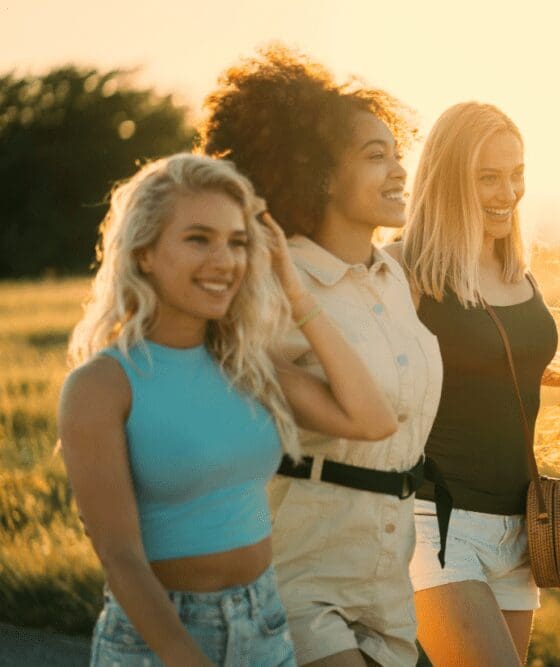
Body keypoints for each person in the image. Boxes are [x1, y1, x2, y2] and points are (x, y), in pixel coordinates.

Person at [59, 153, 397, 666]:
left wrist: (294, 286)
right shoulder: (102, 386)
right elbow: (121, 559)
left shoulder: (248, 366)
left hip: (264, 622)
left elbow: (373, 421)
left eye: (237, 243)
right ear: (144, 252)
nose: (224, 260)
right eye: (198, 239)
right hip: (159, 638)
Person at [200, 46, 443, 667]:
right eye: (374, 156)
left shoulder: (393, 279)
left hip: (389, 578)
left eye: (398, 153)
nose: (398, 171)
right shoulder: (269, 285)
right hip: (299, 570)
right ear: (320, 175)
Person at [389, 102, 560, 667]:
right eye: (488, 176)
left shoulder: (518, 272)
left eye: (516, 173)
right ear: (447, 181)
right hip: (437, 524)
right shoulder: (406, 271)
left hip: (520, 528)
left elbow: (502, 364)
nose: (508, 191)